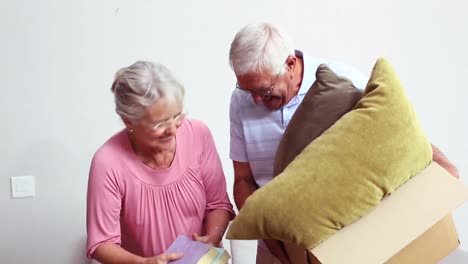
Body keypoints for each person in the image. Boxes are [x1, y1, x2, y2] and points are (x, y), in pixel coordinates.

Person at [228, 22, 459, 264]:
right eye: (247, 90)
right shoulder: (240, 102)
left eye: (263, 90)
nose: (254, 99)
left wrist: (442, 167)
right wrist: (274, 243)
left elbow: (391, 128)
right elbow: (243, 179)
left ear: (290, 64)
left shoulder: (339, 79)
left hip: (339, 241)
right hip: (276, 244)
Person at [86, 61, 235, 264]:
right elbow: (102, 244)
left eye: (177, 116)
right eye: (160, 124)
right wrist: (144, 263)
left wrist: (213, 236)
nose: (173, 130)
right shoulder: (108, 162)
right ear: (128, 120)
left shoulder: (198, 134)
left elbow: (218, 203)